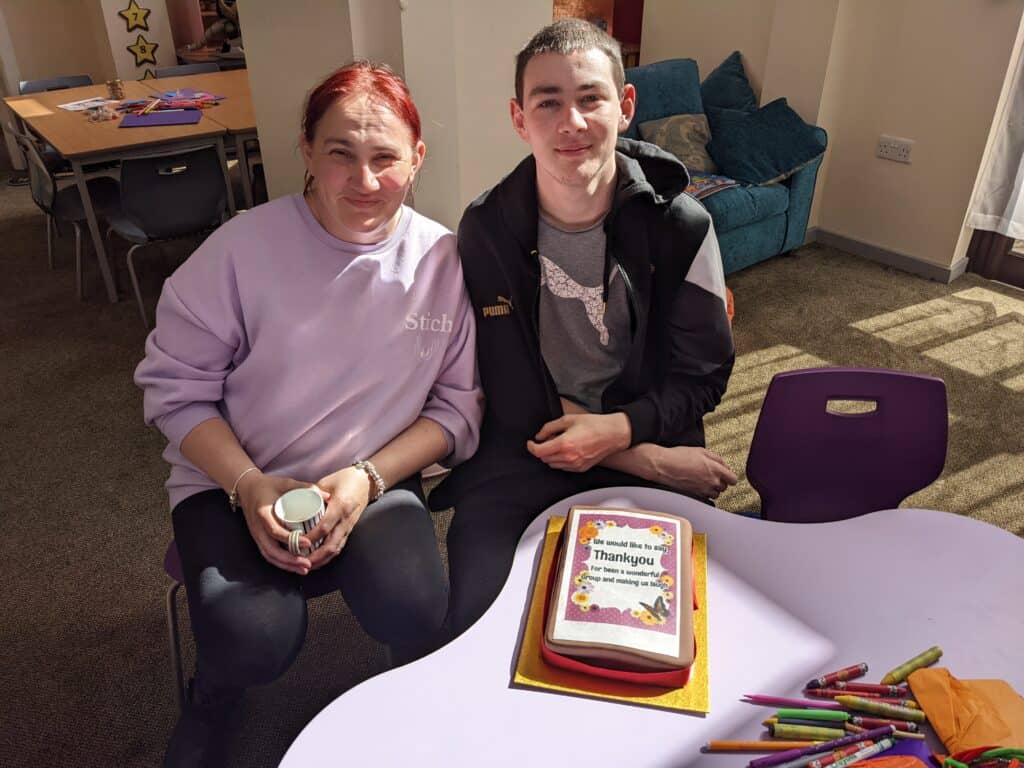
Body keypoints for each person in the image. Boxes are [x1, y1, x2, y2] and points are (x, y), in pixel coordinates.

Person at [134, 61, 483, 768]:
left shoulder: (443, 261)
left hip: (370, 479)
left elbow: (457, 407)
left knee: (415, 606)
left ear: (416, 158)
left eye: (385, 157)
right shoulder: (238, 252)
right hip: (235, 485)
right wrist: (248, 485)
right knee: (254, 639)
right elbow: (175, 390)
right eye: (340, 155)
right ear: (306, 151)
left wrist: (367, 479)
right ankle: (215, 697)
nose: (364, 180)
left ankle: (417, 700)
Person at [430, 19, 737, 638]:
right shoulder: (486, 229)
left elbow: (703, 376)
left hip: (648, 424)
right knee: (479, 621)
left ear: (624, 107)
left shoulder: (682, 226)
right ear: (520, 119)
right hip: (528, 448)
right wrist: (644, 459)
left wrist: (621, 432)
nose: (571, 122)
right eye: (548, 102)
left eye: (590, 98)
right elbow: (504, 382)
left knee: (645, 635)